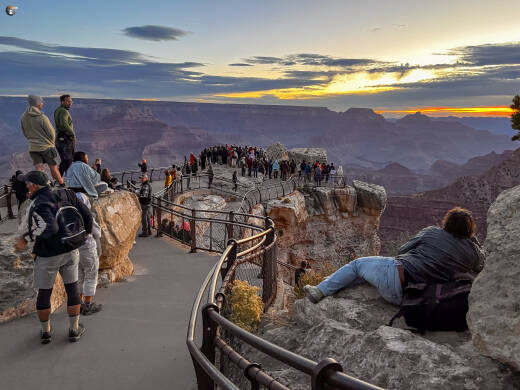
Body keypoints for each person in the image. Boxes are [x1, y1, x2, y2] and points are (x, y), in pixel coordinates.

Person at [304, 207, 485, 306]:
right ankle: (332, 283)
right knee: (363, 274)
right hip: (412, 298)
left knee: (358, 265)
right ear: (470, 230)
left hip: (397, 279)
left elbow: (402, 250)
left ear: (447, 222)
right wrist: (472, 242)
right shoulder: (472, 253)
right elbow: (481, 265)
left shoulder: (431, 233)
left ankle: (319, 291)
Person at [14, 170, 93, 343]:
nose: (26, 186)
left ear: (35, 185)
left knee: (44, 293)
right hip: (71, 250)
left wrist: (25, 239)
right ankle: (74, 329)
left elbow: (49, 228)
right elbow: (87, 214)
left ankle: (46, 332)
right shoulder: (67, 193)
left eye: (27, 183)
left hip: (48, 255)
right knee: (72, 289)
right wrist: (85, 233)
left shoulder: (38, 203)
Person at [20, 95, 64, 186]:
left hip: (33, 148)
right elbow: (51, 133)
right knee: (53, 167)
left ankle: (39, 186)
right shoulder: (42, 117)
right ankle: (62, 184)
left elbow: (25, 132)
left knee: (38, 168)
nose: (42, 104)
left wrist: (32, 140)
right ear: (37, 103)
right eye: (41, 102)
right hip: (46, 147)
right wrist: (51, 143)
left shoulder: (23, 117)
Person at [75, 192, 103, 315]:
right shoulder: (87, 215)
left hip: (75, 250)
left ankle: (79, 303)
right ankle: (88, 304)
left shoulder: (69, 215)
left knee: (79, 276)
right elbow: (96, 231)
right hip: (88, 248)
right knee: (91, 275)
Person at [54, 95, 76, 176]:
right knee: (68, 160)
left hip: (59, 139)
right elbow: (64, 125)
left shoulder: (57, 110)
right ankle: (69, 180)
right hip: (66, 139)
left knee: (64, 160)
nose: (70, 103)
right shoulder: (64, 111)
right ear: (62, 102)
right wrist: (73, 135)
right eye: (68, 101)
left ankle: (60, 179)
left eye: (71, 101)